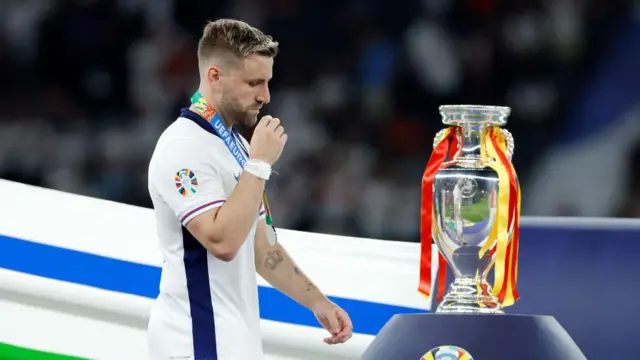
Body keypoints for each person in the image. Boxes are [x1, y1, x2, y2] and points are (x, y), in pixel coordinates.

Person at [146, 19, 353, 360]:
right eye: (254, 83)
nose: (265, 96)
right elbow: (222, 241)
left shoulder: (236, 146)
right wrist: (259, 166)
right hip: (195, 340)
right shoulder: (183, 147)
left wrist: (318, 302)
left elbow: (259, 247)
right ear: (215, 76)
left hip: (232, 340)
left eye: (268, 82)